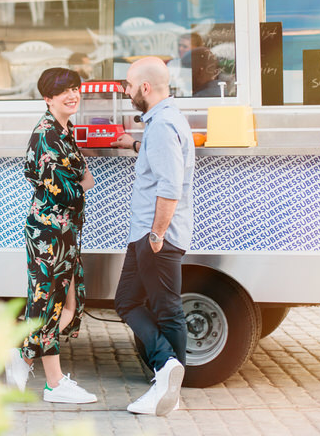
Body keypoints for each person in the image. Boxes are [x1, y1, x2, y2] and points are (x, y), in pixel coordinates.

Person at [4, 67, 98, 404]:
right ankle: (54, 384)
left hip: (63, 232)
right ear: (48, 99)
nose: (73, 95)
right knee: (51, 308)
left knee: (69, 305)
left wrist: (81, 180)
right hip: (49, 235)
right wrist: (82, 181)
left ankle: (23, 355)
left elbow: (79, 180)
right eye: (63, 92)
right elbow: (72, 189)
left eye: (75, 88)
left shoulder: (64, 129)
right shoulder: (47, 135)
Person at [109, 56, 196, 416]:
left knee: (166, 311)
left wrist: (157, 234)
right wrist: (132, 145)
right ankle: (167, 374)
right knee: (127, 301)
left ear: (146, 87)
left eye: (129, 86)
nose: (127, 92)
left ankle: (168, 382)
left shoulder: (161, 125)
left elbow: (170, 185)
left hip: (155, 234)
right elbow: (159, 162)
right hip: (149, 233)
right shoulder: (165, 120)